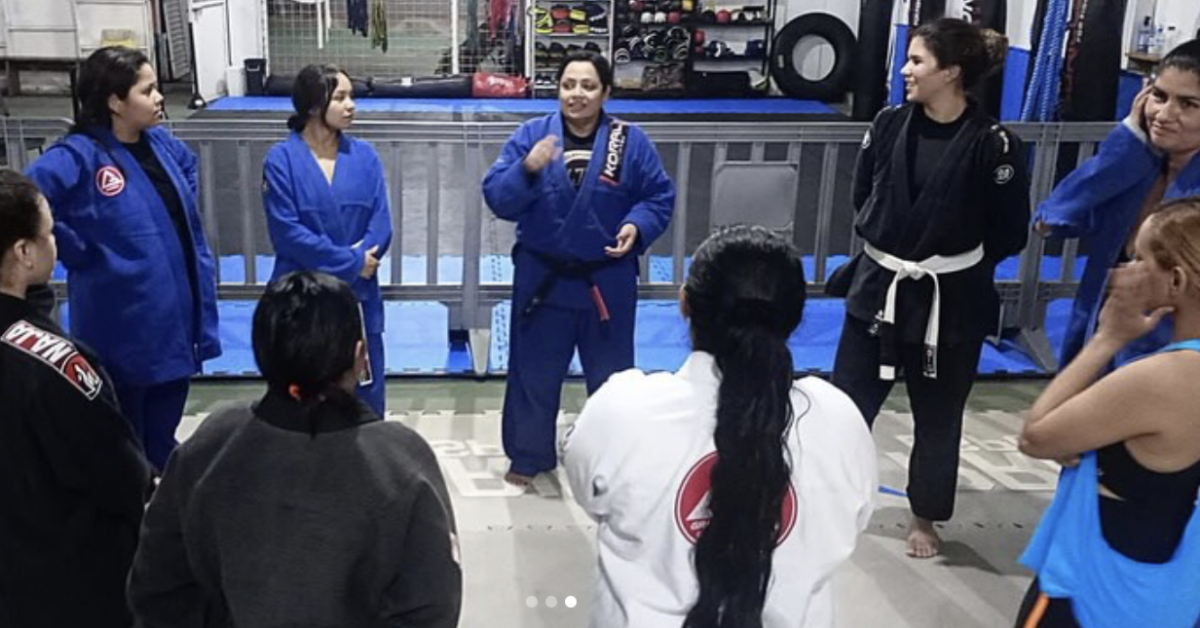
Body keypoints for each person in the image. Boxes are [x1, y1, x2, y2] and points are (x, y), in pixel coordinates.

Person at [564, 225, 877, 628]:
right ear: (796, 317)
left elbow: (587, 494)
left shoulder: (621, 410)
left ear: (684, 304)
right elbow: (857, 517)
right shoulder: (839, 421)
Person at [127, 271, 462, 627]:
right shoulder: (402, 463)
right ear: (360, 356)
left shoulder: (207, 448)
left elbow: (156, 586)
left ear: (261, 353)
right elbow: (432, 604)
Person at [828, 17, 1030, 558]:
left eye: (917, 60)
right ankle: (828, 501)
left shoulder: (997, 145)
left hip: (951, 299)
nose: (905, 70)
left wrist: (952, 265)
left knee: (938, 416)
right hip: (880, 287)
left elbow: (1009, 230)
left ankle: (925, 518)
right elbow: (864, 194)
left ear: (952, 72)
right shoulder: (890, 124)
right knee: (846, 406)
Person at [482, 49, 675, 486]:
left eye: (588, 86)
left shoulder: (630, 141)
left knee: (612, 379)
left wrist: (636, 225)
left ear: (606, 92)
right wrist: (527, 169)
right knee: (533, 370)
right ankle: (529, 455)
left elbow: (658, 196)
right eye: (569, 85)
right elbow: (497, 197)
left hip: (606, 277)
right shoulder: (532, 135)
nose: (577, 95)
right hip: (543, 277)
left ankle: (613, 457)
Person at [25, 46, 221, 472]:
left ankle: (159, 515)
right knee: (122, 444)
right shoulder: (79, 156)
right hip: (123, 320)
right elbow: (29, 199)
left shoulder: (162, 146)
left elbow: (188, 169)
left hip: (174, 318)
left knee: (162, 435)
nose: (158, 98)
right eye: (147, 90)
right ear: (115, 101)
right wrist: (78, 248)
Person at [1016, 198, 1200, 628]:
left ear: (1174, 281)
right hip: (1175, 591)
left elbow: (1037, 436)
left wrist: (1108, 337)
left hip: (1098, 589)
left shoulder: (1166, 378)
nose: (1123, 271)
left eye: (1139, 259)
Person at [0, 169, 151, 628]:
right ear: (24, 252)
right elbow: (121, 476)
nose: (55, 243)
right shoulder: (53, 364)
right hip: (66, 586)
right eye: (48, 233)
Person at [1035, 39, 1200, 368]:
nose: (1165, 114)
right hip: (1101, 336)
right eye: (1159, 96)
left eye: (1189, 104)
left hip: (1173, 362)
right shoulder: (1137, 168)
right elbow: (1052, 219)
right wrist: (1126, 141)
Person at [262, 63, 392, 416]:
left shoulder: (365, 157)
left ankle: (365, 466)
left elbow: (382, 225)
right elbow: (287, 233)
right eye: (340, 97)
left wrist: (362, 259)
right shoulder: (281, 161)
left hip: (358, 298)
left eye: (351, 96)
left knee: (363, 395)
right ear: (313, 105)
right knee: (301, 396)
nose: (351, 105)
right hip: (303, 299)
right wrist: (352, 263)